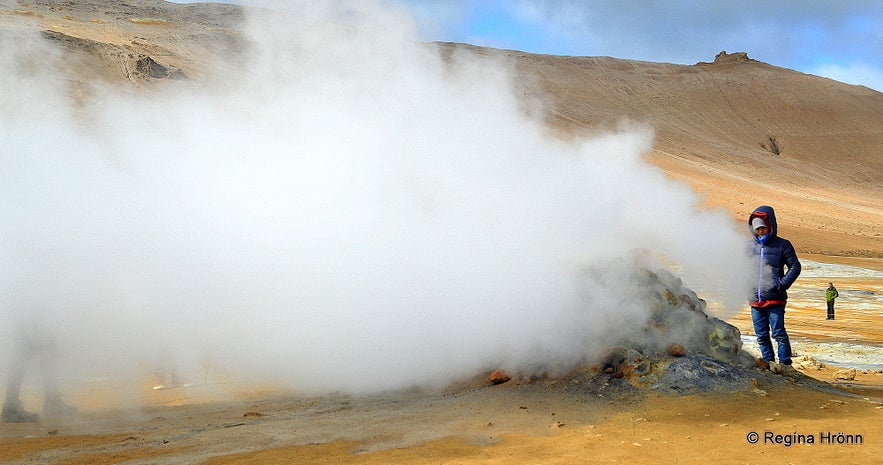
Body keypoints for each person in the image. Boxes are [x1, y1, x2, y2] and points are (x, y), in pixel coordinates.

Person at [747, 206, 801, 369]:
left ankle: (785, 364)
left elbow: (795, 266)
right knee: (761, 335)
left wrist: (781, 284)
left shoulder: (782, 245)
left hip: (775, 298)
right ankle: (769, 363)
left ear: (770, 225)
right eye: (757, 229)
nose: (761, 232)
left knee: (779, 334)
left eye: (763, 228)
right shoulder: (749, 246)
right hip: (755, 299)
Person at [2, 328, 77, 423]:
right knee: (25, 349)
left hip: (32, 318)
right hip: (30, 319)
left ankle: (52, 402)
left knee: (46, 348)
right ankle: (11, 408)